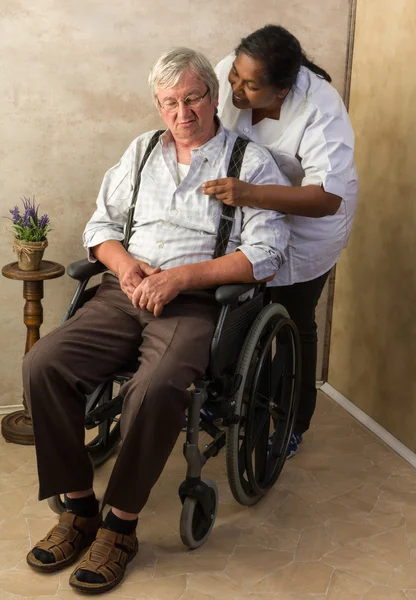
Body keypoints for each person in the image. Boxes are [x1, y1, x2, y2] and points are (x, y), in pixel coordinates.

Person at [23, 47, 289, 594]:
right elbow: (101, 226)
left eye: (192, 98)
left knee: (158, 384)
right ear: (158, 105)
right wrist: (124, 267)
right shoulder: (142, 151)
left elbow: (267, 252)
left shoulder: (250, 162)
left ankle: (119, 527)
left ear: (213, 98)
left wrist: (182, 278)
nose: (182, 112)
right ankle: (78, 508)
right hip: (128, 291)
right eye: (169, 102)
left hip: (198, 303)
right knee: (42, 364)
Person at [204, 24, 358, 458]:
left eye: (251, 85)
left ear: (283, 90)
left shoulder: (320, 107)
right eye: (235, 75)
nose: (235, 88)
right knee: (239, 311)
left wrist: (249, 193)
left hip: (310, 226)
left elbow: (327, 197)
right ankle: (237, 402)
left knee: (293, 319)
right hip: (250, 219)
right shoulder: (228, 76)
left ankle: (292, 420)